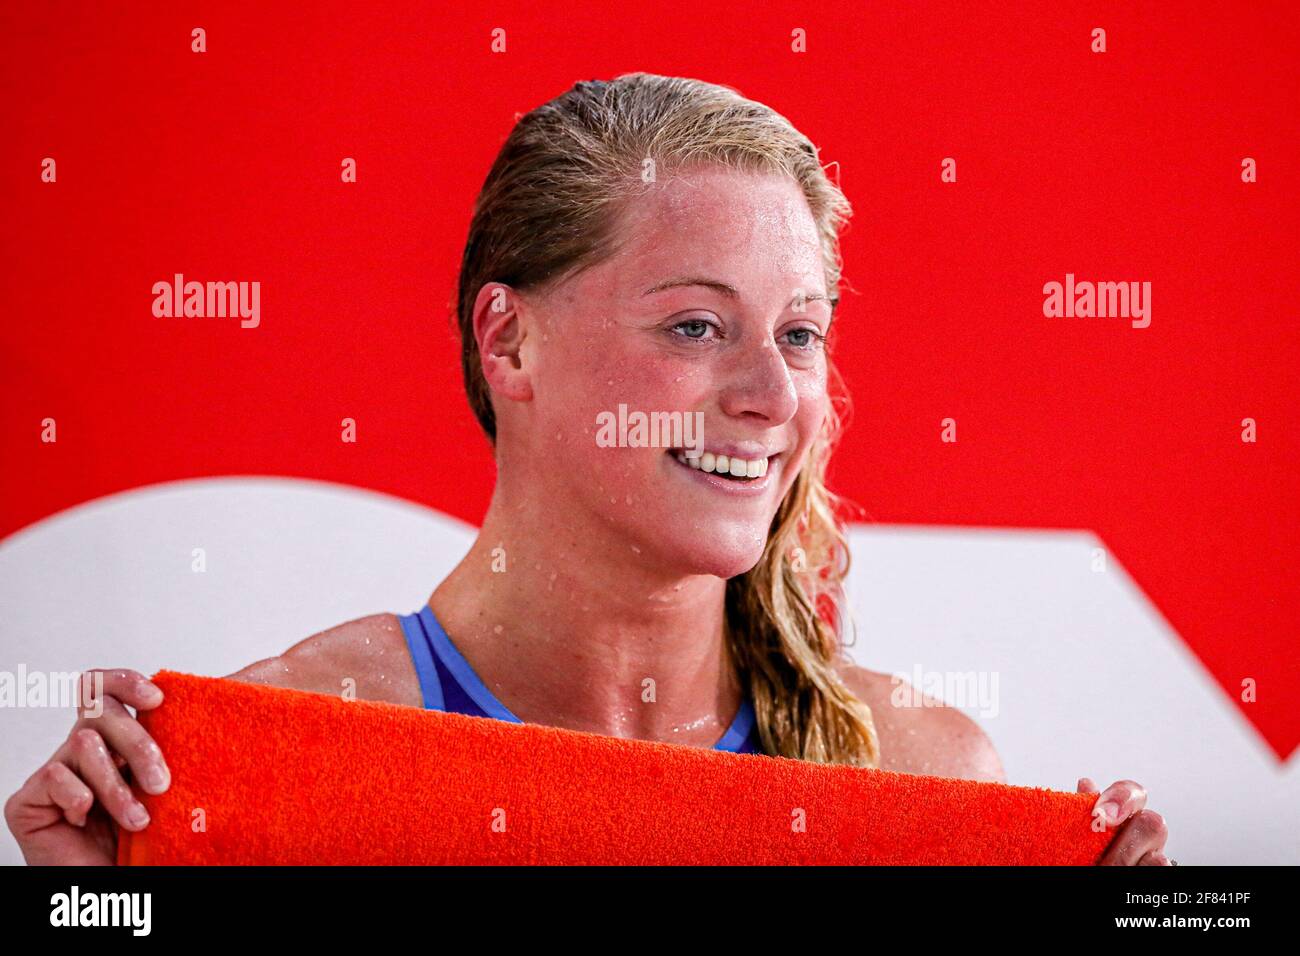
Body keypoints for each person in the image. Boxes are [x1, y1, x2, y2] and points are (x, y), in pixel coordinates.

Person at [5, 73, 1170, 866]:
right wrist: (92, 903)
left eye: (801, 331)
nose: (772, 396)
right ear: (507, 340)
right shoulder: (288, 744)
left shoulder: (926, 774)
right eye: (696, 327)